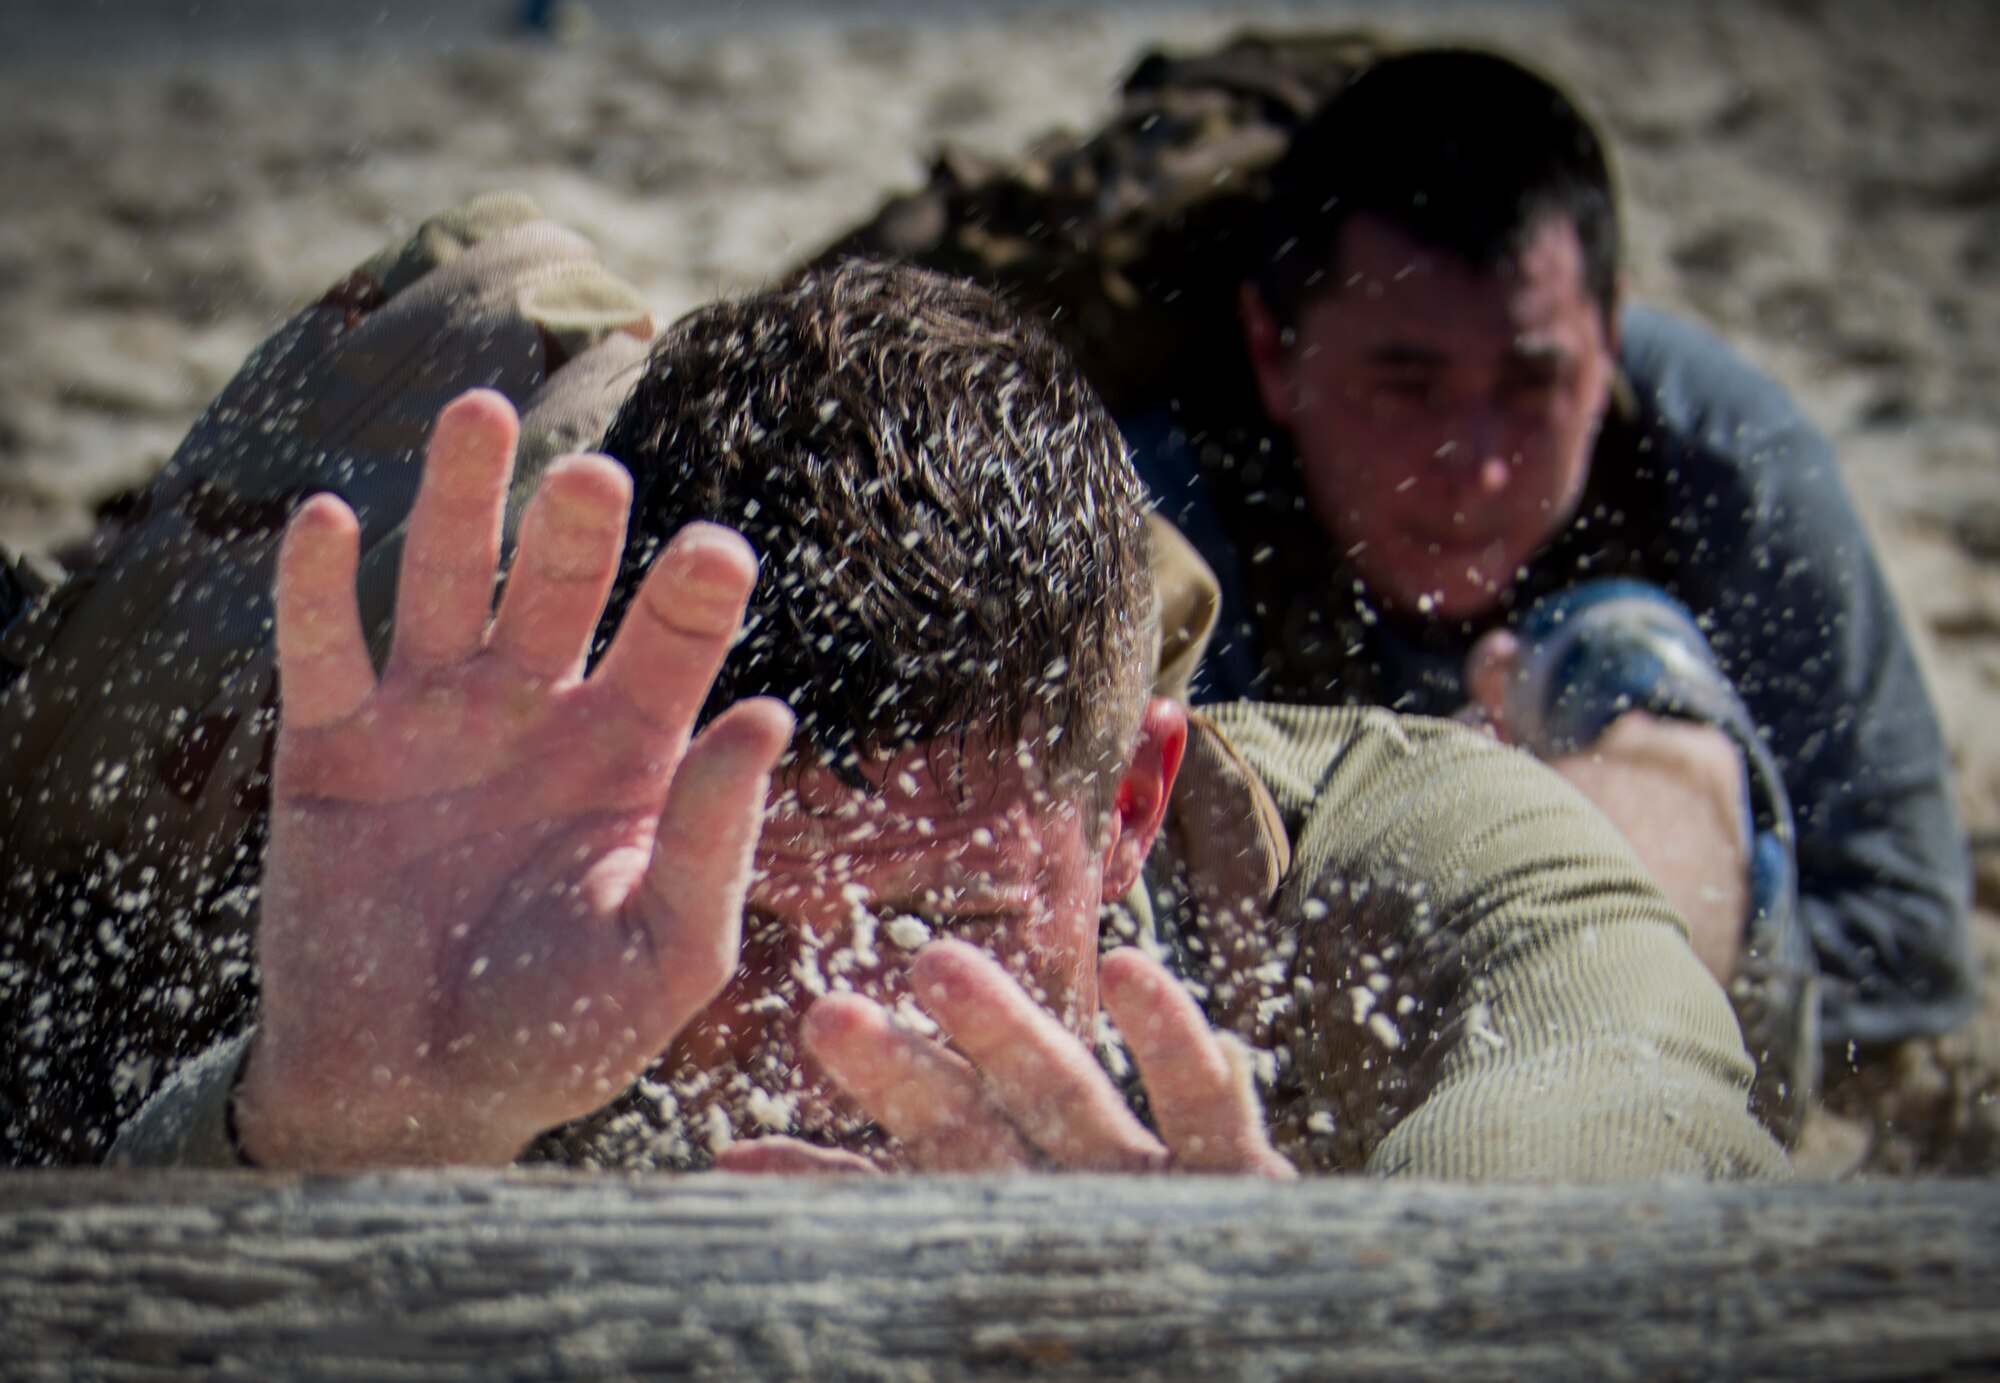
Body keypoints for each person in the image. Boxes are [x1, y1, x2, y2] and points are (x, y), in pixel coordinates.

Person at [89, 211, 1783, 1178]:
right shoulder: (534, 920)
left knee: (1663, 818)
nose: (827, 1041)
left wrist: (1307, 1327)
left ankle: (1633, 675)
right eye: (742, 927)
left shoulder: (1411, 860)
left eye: (942, 926)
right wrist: (325, 1127)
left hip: (1570, 791)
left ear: (1125, 808)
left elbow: (1628, 1115)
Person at [1125, 48, 1976, 1119]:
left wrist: (1580, 846)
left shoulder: (1714, 458)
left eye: (1532, 383)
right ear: (1272, 352)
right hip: (1283, 1018)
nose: (1474, 462)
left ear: (1607, 338)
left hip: (1618, 1041)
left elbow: (1905, 951)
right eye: (1406, 388)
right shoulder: (1154, 500)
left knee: (1623, 643)